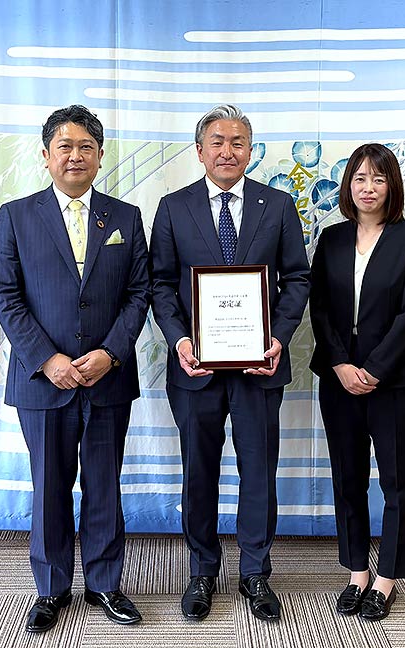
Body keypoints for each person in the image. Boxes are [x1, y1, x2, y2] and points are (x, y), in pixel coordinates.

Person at [0, 105, 150, 631]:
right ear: (46, 155)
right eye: (65, 146)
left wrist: (111, 353)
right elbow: (6, 295)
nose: (75, 156)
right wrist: (47, 358)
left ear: (100, 155)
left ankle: (105, 584)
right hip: (42, 380)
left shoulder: (125, 217)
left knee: (104, 484)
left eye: (86, 147)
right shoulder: (16, 216)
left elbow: (139, 293)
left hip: (107, 377)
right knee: (50, 487)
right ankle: (51, 589)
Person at [150, 105, 310, 622]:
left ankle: (255, 573)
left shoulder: (277, 205)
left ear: (251, 150)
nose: (227, 151)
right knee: (198, 472)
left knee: (258, 471)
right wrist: (179, 340)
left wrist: (278, 337)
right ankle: (202, 571)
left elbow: (297, 278)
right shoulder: (173, 207)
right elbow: (160, 284)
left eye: (237, 142)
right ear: (199, 151)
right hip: (194, 369)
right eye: (217, 142)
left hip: (259, 368)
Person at [309, 143, 405, 621]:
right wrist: (341, 364)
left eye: (378, 179)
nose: (368, 187)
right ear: (348, 186)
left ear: (391, 186)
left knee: (397, 482)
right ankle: (357, 572)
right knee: (348, 479)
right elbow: (320, 308)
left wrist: (376, 368)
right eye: (359, 178)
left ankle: (386, 580)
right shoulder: (331, 239)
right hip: (339, 378)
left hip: (396, 379)